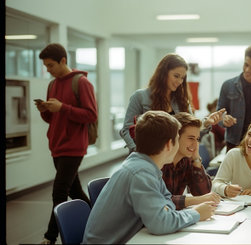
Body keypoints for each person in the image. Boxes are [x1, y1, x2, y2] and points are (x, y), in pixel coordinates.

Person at [83, 111, 216, 244]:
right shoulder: (141, 173)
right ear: (170, 144)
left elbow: (167, 201)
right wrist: (196, 213)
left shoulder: (147, 167)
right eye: (176, 138)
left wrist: (165, 209)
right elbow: (160, 223)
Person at [35, 43, 97, 245]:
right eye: (46, 66)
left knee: (59, 191)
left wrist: (62, 107)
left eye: (51, 65)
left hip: (74, 146)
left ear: (63, 60)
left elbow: (90, 115)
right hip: (57, 145)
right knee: (74, 191)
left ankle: (49, 237)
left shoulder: (82, 82)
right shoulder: (52, 85)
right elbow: (52, 119)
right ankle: (99, 219)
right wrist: (45, 109)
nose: (48, 70)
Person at [120, 53, 224, 152]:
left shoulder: (182, 101)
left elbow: (191, 130)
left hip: (175, 159)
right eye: (176, 76)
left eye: (182, 78)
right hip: (149, 158)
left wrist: (207, 122)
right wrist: (138, 151)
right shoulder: (140, 97)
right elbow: (126, 130)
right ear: (163, 73)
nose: (179, 81)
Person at [162, 112, 221, 210]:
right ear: (175, 137)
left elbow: (203, 192)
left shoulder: (186, 161)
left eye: (197, 139)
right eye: (191, 138)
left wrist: (196, 159)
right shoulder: (160, 161)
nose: (195, 144)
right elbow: (160, 201)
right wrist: (196, 200)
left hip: (173, 216)